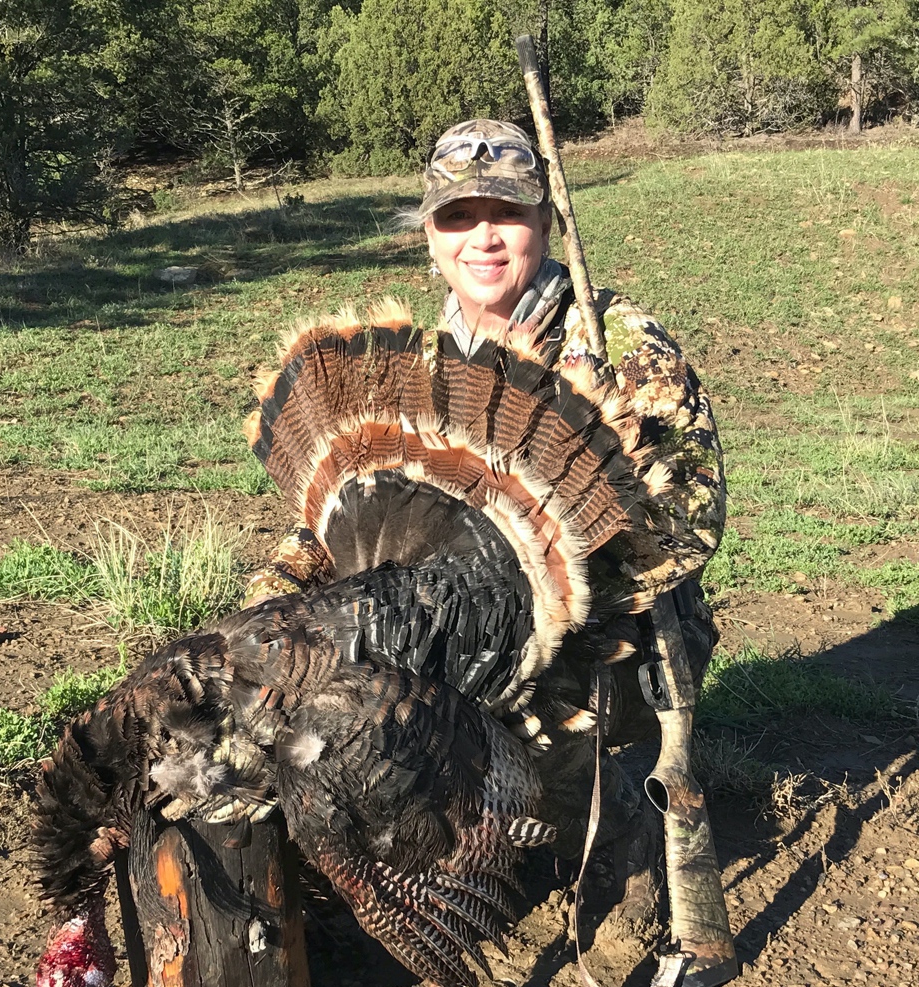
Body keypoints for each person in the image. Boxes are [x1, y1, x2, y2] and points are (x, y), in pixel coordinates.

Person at [246, 117, 725, 943]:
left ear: (546, 224)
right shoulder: (419, 359)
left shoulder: (613, 343)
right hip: (440, 640)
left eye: (506, 215)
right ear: (430, 236)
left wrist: (535, 590)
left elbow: (689, 522)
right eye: (457, 218)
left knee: (542, 786)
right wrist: (275, 602)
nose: (483, 239)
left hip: (589, 645)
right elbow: (340, 524)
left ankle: (618, 831)